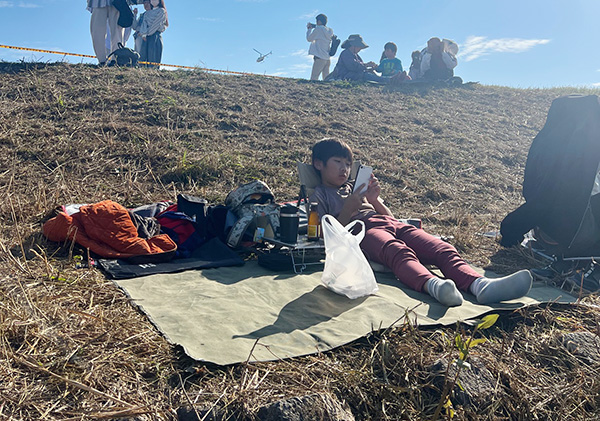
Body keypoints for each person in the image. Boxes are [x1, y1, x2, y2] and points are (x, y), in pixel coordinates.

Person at [309, 138, 533, 307]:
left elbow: (391, 218)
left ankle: (481, 285)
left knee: (441, 248)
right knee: (398, 252)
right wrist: (348, 209)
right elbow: (322, 235)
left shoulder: (353, 187)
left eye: (348, 164)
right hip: (362, 232)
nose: (344, 169)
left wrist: (374, 200)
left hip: (388, 223)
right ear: (319, 164)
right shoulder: (319, 194)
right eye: (337, 162)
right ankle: (434, 287)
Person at [87, 0, 125, 65]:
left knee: (117, 31)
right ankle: (102, 60)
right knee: (97, 31)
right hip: (97, 2)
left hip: (117, 3)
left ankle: (115, 60)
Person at [132, 0, 167, 67]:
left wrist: (145, 34)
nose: (146, 5)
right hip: (139, 38)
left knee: (152, 58)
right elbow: (135, 27)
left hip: (150, 37)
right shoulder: (143, 15)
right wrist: (135, 15)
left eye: (147, 2)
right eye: (144, 3)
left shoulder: (160, 11)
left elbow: (157, 26)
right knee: (140, 59)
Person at [306, 14, 334, 81]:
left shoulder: (318, 29)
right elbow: (321, 28)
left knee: (314, 78)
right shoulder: (330, 31)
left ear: (319, 21)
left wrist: (309, 29)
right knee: (326, 80)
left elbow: (309, 39)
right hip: (327, 58)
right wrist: (314, 26)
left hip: (319, 57)